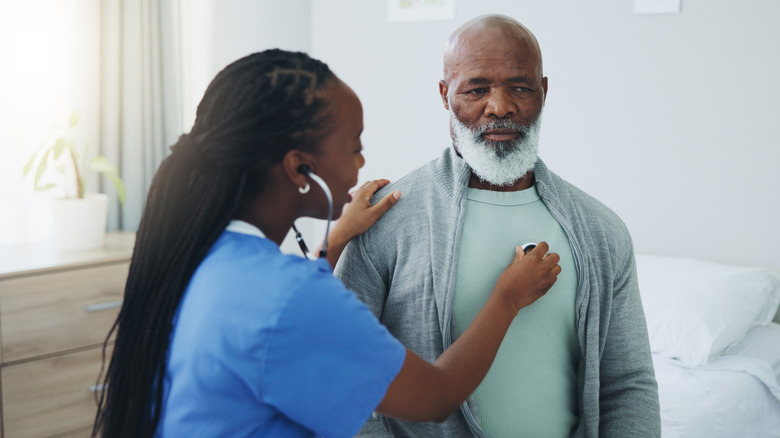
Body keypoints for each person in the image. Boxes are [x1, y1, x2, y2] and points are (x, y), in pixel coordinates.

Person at [91, 49, 562, 438]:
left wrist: (334, 242)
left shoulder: (199, 257)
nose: (362, 163)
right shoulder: (288, 299)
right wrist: (507, 296)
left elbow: (277, 329)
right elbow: (434, 397)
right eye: (354, 146)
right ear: (301, 171)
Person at [335, 14, 661, 437]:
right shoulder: (386, 219)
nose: (500, 106)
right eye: (477, 89)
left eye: (520, 87)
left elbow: (628, 383)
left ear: (543, 93)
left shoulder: (601, 230)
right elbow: (341, 374)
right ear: (444, 94)